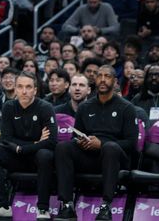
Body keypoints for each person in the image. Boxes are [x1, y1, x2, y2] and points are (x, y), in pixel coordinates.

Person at [54, 65, 138, 221]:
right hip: (89, 155)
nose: (103, 80)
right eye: (100, 76)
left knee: (110, 147)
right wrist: (81, 142)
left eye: (107, 76)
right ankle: (67, 205)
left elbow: (131, 144)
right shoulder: (85, 107)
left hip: (116, 157)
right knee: (63, 147)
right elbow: (75, 135)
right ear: (95, 80)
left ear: (115, 81)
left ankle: (106, 206)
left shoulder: (127, 108)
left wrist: (102, 143)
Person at [0, 72, 56, 219]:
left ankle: (43, 208)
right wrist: (35, 143)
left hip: (36, 157)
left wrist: (22, 147)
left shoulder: (45, 107)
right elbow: (6, 139)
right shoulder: (9, 107)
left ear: (35, 90)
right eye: (20, 87)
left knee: (45, 155)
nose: (24, 91)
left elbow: (51, 141)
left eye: (28, 87)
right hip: (17, 155)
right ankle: (0, 206)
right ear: (15, 89)